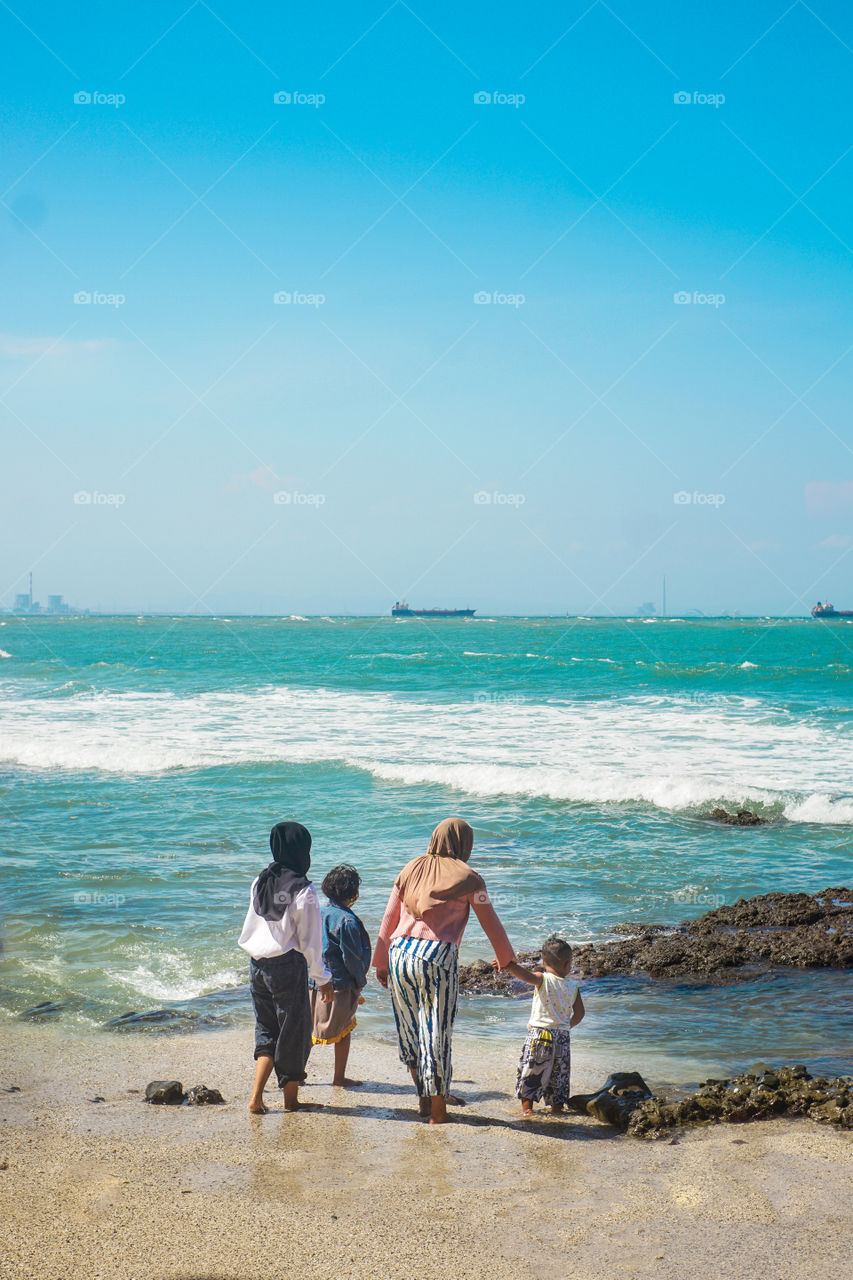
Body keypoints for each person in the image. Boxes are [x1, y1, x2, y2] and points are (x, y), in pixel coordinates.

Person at [373, 817, 516, 1125]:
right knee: (436, 1035)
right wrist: (507, 959)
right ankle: (438, 1114)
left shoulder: (410, 868)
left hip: (399, 954)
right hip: (436, 958)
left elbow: (389, 917)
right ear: (464, 844)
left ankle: (425, 1103)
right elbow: (490, 921)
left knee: (412, 1034)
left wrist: (380, 961)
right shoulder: (470, 878)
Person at [238, 820, 333, 1114]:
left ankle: (257, 1097)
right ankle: (290, 1101)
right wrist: (323, 978)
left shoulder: (261, 880)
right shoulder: (304, 890)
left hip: (257, 965)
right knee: (294, 1033)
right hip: (287, 967)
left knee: (267, 1031)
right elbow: (310, 941)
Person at [505, 934, 585, 1119]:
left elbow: (525, 976)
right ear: (567, 964)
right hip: (562, 1038)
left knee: (532, 1072)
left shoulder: (542, 979)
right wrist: (565, 1026)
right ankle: (556, 1109)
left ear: (542, 961)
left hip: (540, 1035)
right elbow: (580, 1014)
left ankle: (528, 1110)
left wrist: (510, 966)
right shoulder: (573, 986)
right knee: (559, 1075)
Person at [311, 864, 371, 1088]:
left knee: (309, 1030)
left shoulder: (318, 912)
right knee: (345, 1030)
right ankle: (339, 1077)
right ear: (353, 893)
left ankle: (295, 1076)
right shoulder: (347, 920)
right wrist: (360, 981)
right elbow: (352, 959)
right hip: (340, 984)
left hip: (314, 981)